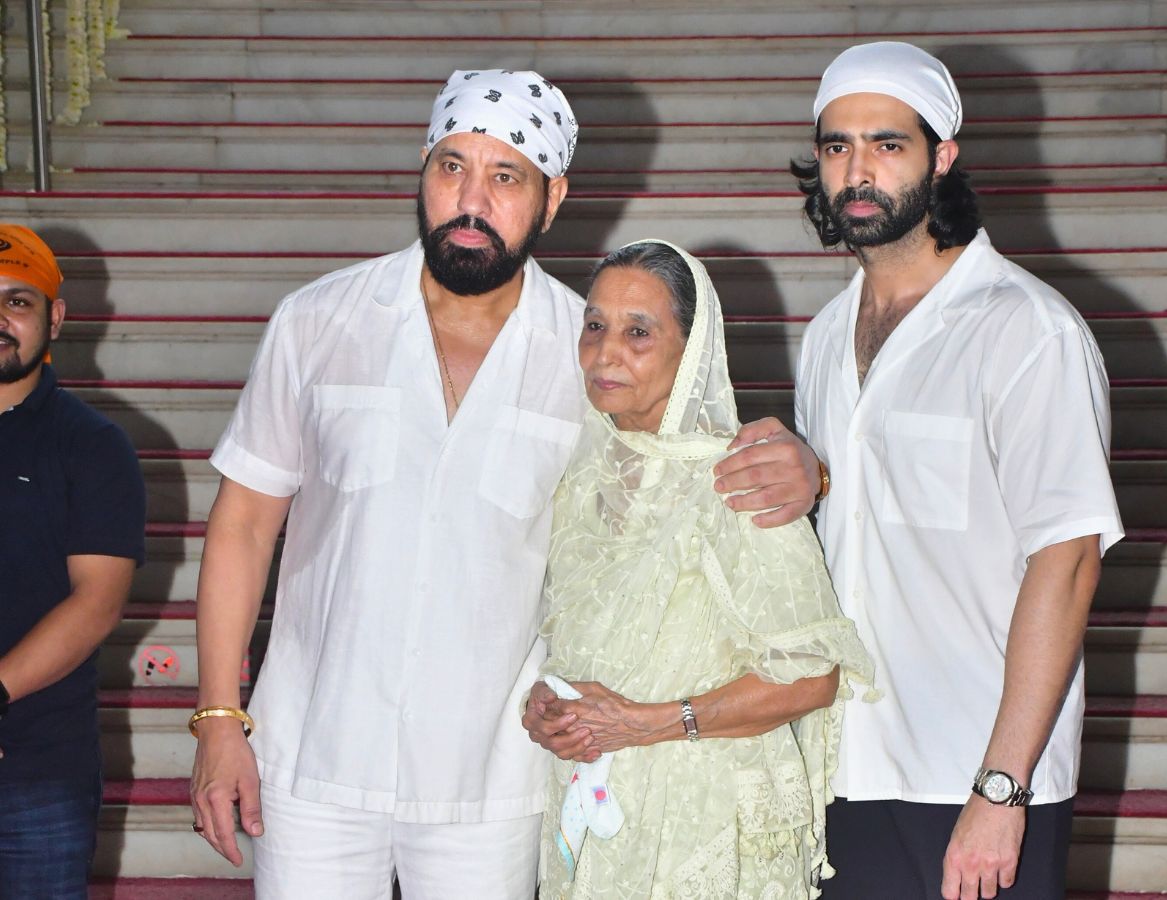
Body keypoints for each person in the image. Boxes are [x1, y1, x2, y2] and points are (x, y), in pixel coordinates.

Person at [188, 69, 822, 900]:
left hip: (493, 781)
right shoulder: (317, 322)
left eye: (506, 177)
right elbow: (242, 524)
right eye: (452, 167)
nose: (471, 200)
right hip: (311, 757)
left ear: (552, 200)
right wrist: (217, 718)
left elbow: (681, 459)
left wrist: (811, 467)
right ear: (422, 172)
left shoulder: (585, 352)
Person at [788, 41, 1125, 900]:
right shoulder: (825, 337)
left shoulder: (1027, 330)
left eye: (887, 144)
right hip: (844, 767)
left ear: (941, 158)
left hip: (974, 776)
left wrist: (1001, 787)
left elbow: (1068, 560)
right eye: (837, 146)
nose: (858, 171)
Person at [521, 239, 874, 898]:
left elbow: (811, 678)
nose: (605, 352)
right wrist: (547, 704)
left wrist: (649, 721)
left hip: (704, 823)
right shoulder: (576, 476)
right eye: (594, 326)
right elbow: (575, 644)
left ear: (692, 351)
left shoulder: (739, 480)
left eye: (638, 332)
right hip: (598, 816)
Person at [0, 224, 146, 897]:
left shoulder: (93, 446)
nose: (1, 318)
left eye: (18, 301)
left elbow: (96, 602)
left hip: (38, 773)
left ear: (55, 317)